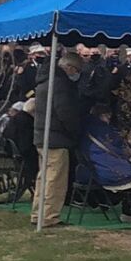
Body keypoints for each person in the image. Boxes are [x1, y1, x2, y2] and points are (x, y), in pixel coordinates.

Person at [33, 54, 86, 228]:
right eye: (77, 70)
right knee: (55, 180)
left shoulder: (44, 81)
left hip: (42, 136)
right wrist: (75, 131)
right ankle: (49, 216)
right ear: (69, 68)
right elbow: (65, 112)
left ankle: (37, 213)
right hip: (57, 138)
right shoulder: (61, 85)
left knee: (43, 178)